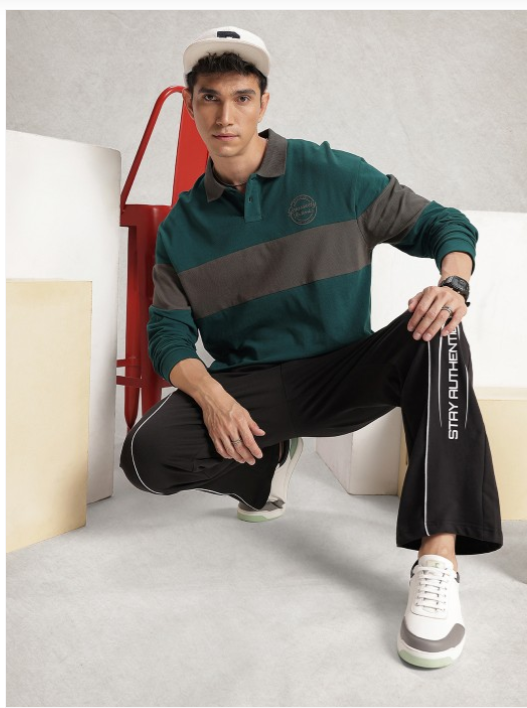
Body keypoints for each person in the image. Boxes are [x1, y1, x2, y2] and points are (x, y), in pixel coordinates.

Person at [120, 26, 503, 669]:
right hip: (252, 387)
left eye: (241, 97)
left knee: (440, 331)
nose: (225, 115)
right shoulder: (182, 227)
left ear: (264, 104)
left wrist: (454, 281)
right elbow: (168, 335)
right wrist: (213, 397)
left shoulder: (332, 173)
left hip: (342, 373)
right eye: (209, 98)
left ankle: (438, 560)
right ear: (190, 108)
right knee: (144, 457)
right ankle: (265, 464)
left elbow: (443, 223)